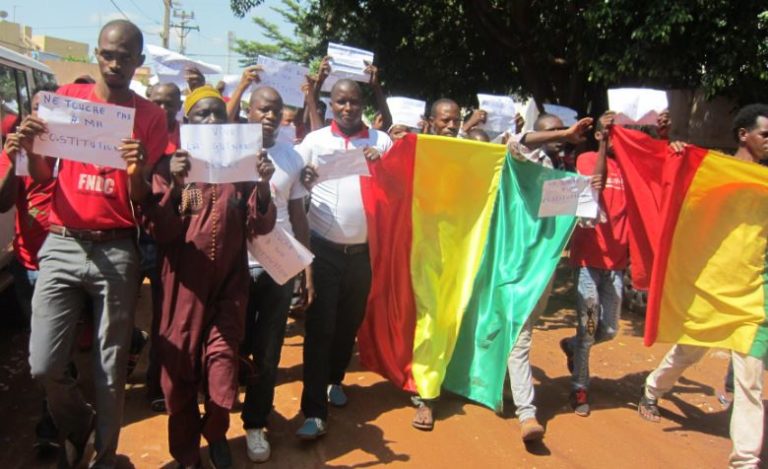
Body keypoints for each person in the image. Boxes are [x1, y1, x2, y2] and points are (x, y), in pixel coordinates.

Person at [17, 20, 168, 468]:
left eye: (125, 56)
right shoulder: (65, 101)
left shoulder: (151, 117)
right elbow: (44, 176)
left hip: (117, 246)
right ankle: (81, 424)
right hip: (62, 242)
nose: (115, 62)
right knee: (42, 363)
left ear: (139, 62)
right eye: (107, 53)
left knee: (110, 365)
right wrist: (31, 149)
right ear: (96, 54)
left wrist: (136, 169)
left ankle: (105, 456)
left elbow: (141, 198)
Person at [143, 86, 276, 468]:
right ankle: (188, 456)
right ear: (187, 122)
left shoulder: (241, 169)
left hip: (228, 290)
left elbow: (259, 225)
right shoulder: (171, 169)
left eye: (219, 114)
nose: (213, 121)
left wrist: (263, 183)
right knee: (180, 378)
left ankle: (215, 431)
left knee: (223, 374)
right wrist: (180, 184)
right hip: (184, 288)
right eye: (203, 114)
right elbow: (164, 228)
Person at [638, 103, 768, 469]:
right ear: (744, 135)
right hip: (710, 287)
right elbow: (674, 191)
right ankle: (652, 390)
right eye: (765, 134)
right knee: (688, 354)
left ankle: (744, 459)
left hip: (752, 296)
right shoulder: (710, 167)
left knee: (749, 380)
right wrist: (673, 151)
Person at [294, 78, 392, 440]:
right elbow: (293, 184)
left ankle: (335, 379)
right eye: (340, 102)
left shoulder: (380, 141)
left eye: (353, 101)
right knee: (320, 328)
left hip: (364, 253)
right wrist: (304, 177)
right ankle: (313, 412)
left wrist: (384, 163)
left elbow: (400, 182)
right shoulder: (315, 142)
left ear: (363, 103)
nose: (347, 108)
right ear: (330, 104)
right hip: (323, 249)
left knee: (348, 324)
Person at [503, 113, 595, 440]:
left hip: (545, 267)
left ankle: (502, 380)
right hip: (516, 263)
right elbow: (518, 141)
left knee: (525, 326)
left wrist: (588, 194)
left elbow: (582, 219)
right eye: (552, 131)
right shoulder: (525, 162)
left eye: (562, 130)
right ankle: (527, 413)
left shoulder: (565, 171)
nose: (559, 136)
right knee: (520, 335)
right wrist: (567, 133)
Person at [239, 85, 314, 462]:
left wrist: (307, 270)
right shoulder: (229, 149)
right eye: (261, 110)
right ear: (248, 111)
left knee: (268, 352)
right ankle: (219, 411)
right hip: (235, 266)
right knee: (231, 345)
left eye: (275, 111)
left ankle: (255, 422)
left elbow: (299, 215)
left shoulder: (292, 157)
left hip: (279, 267)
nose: (268, 117)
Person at [0, 82, 61, 454]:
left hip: (71, 263)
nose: (43, 116)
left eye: (53, 108)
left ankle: (51, 423)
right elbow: (4, 202)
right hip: (29, 263)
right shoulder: (19, 149)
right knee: (43, 350)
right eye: (39, 108)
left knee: (58, 348)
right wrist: (10, 161)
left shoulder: (80, 150)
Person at [559, 111, 627, 417]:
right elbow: (595, 185)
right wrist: (602, 146)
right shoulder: (587, 158)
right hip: (589, 258)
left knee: (610, 329)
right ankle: (579, 387)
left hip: (616, 262)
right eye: (612, 133)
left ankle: (573, 346)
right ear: (600, 135)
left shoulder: (630, 169)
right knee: (588, 328)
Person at [143, 82, 183, 412]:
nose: (162, 108)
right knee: (146, 311)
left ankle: (166, 381)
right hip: (137, 232)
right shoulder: (137, 133)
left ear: (179, 105)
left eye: (169, 103)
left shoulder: (189, 139)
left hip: (174, 231)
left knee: (169, 310)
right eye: (156, 101)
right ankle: (153, 378)